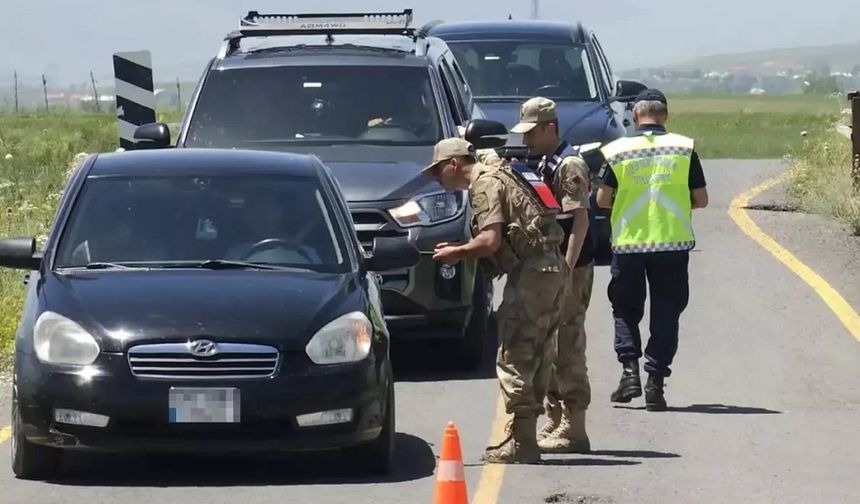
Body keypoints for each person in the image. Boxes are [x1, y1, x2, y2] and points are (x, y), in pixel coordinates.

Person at [422, 137, 566, 464]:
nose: (437, 179)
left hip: (531, 273)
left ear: (453, 164)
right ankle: (525, 437)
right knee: (539, 351)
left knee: (515, 353)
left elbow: (489, 240)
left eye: (438, 171)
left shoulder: (483, 184)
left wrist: (456, 253)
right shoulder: (502, 172)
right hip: (552, 267)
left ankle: (522, 441)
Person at [596, 88, 709, 411]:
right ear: (665, 115)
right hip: (671, 244)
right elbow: (701, 199)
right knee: (667, 312)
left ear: (635, 115)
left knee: (625, 309)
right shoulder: (684, 149)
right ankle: (655, 382)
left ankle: (629, 371)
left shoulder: (618, 151)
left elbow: (603, 200)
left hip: (629, 244)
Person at [504, 96, 595, 453]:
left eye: (532, 133)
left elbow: (580, 222)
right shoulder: (547, 160)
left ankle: (575, 425)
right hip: (552, 266)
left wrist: (567, 269)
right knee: (551, 342)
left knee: (568, 344)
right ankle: (557, 418)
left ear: (550, 128)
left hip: (569, 267)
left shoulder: (569, 165)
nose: (525, 140)